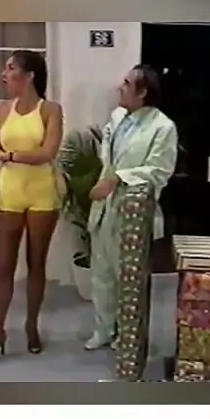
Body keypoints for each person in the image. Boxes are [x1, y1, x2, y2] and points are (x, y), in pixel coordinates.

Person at [0, 50, 63, 366]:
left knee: (36, 264)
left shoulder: (50, 110)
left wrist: (11, 157)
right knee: (3, 268)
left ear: (29, 75)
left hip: (42, 194)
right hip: (10, 194)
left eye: (10, 68)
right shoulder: (1, 109)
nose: (4, 74)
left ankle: (32, 326)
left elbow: (48, 152)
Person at [85, 64, 178, 351]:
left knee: (130, 281)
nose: (119, 88)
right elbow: (108, 156)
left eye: (126, 84)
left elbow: (159, 171)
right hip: (105, 208)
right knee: (102, 274)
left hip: (135, 213)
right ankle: (104, 329)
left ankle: (128, 336)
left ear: (143, 92)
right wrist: (106, 180)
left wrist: (118, 178)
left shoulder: (162, 127)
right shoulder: (117, 117)